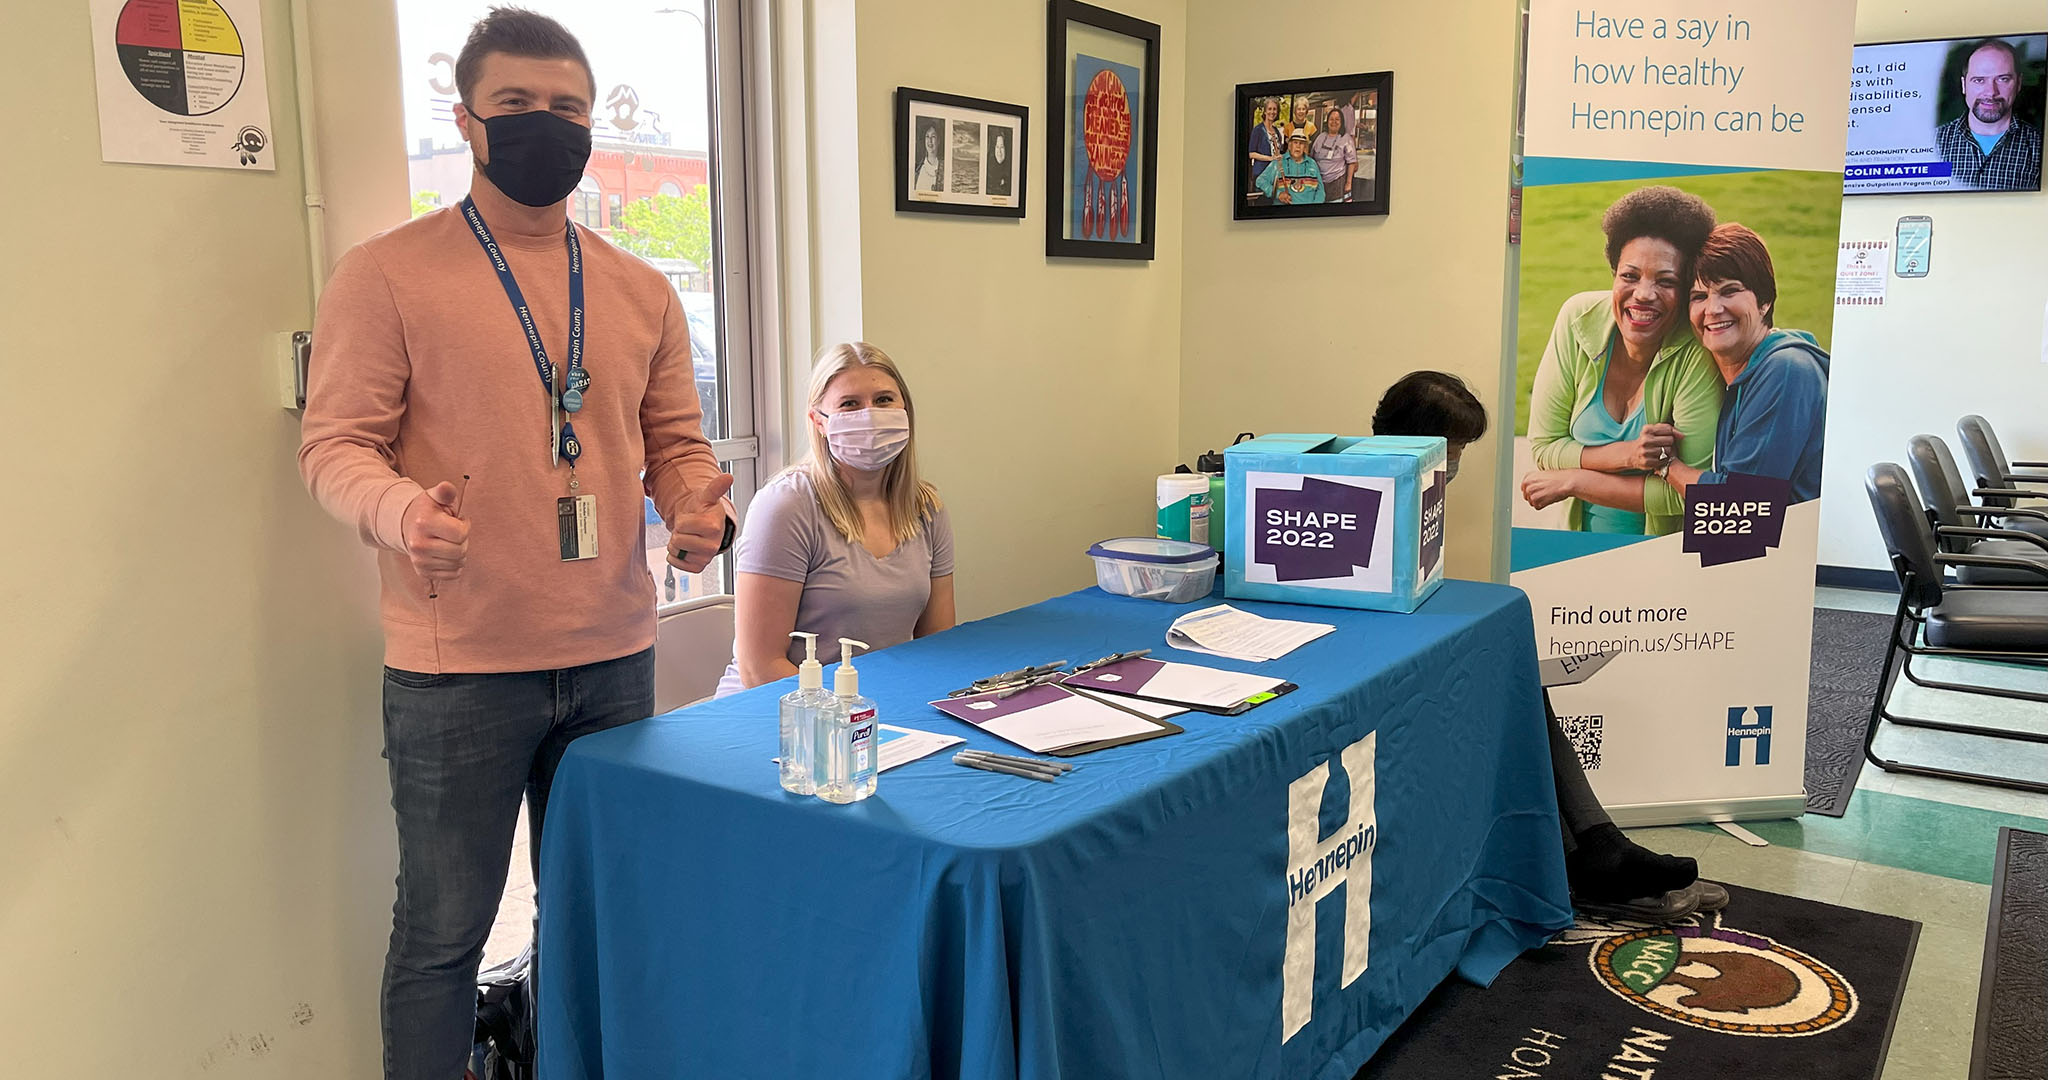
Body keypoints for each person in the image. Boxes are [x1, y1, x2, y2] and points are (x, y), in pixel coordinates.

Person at [297, 10, 735, 1078]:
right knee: (444, 934)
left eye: (568, 109)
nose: (547, 127)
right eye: (517, 107)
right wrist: (403, 514)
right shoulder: (386, 275)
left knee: (589, 912)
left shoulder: (638, 290)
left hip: (612, 654)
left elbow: (674, 445)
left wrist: (694, 508)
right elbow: (334, 445)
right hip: (459, 670)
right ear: (467, 120)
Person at [1374, 372, 1719, 922]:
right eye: (1454, 449)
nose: (1458, 463)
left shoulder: (1415, 492)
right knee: (1515, 698)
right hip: (1387, 664)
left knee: (1526, 689)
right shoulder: (1365, 493)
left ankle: (1595, 847)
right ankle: (1592, 850)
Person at [718, 343, 956, 695]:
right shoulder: (786, 506)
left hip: (873, 711)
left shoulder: (925, 508)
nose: (870, 415)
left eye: (884, 400)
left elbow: (936, 646)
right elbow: (761, 668)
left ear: (906, 412)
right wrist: (853, 720)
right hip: (780, 712)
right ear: (819, 422)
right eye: (850, 404)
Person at [1522, 186, 1723, 536]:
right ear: (1614, 273)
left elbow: (1686, 496)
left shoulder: (1696, 352)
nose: (1644, 295)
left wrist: (1574, 479)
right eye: (1629, 276)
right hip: (1576, 549)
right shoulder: (1578, 319)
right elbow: (1544, 447)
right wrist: (1629, 456)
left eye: (1666, 281)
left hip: (1658, 559)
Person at [1662, 224, 1830, 501]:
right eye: (1699, 296)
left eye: (1730, 291)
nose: (1713, 309)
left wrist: (1667, 465)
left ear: (1764, 300)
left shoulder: (1786, 369)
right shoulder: (1744, 374)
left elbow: (1737, 502)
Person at [1936, 38, 2043, 192]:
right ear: (1964, 85)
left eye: (2003, 79)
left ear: (2018, 84)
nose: (1991, 92)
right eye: (1979, 80)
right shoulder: (1933, 142)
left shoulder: (2039, 147)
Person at [1255, 129, 1325, 206]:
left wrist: (1314, 209)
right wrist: (1278, 194)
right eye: (1295, 142)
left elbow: (1320, 190)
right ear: (1289, 145)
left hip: (1307, 213)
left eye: (1301, 143)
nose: (1298, 146)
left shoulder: (1312, 164)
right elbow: (1260, 181)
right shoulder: (1278, 162)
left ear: (1305, 147)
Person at [1311, 104, 1358, 203]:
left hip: (1337, 182)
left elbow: (1351, 162)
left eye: (1337, 119)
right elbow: (1312, 158)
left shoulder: (1346, 139)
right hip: (1319, 182)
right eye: (1331, 119)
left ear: (1341, 122)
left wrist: (1348, 183)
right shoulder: (1320, 137)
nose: (1334, 122)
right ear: (1327, 121)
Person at [1247, 97, 1285, 199]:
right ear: (1265, 111)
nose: (1272, 112)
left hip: (1275, 175)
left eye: (1274, 109)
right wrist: (1270, 158)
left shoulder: (1277, 131)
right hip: (1262, 175)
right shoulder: (1258, 130)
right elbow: (1251, 153)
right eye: (1270, 109)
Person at [915, 120, 944, 192]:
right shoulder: (917, 170)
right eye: (927, 136)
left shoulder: (945, 169)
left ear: (938, 141)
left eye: (933, 136)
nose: (930, 141)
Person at [987, 129, 1013, 197]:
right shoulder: (988, 173)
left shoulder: (1012, 174)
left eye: (1002, 147)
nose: (999, 152)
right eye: (997, 147)